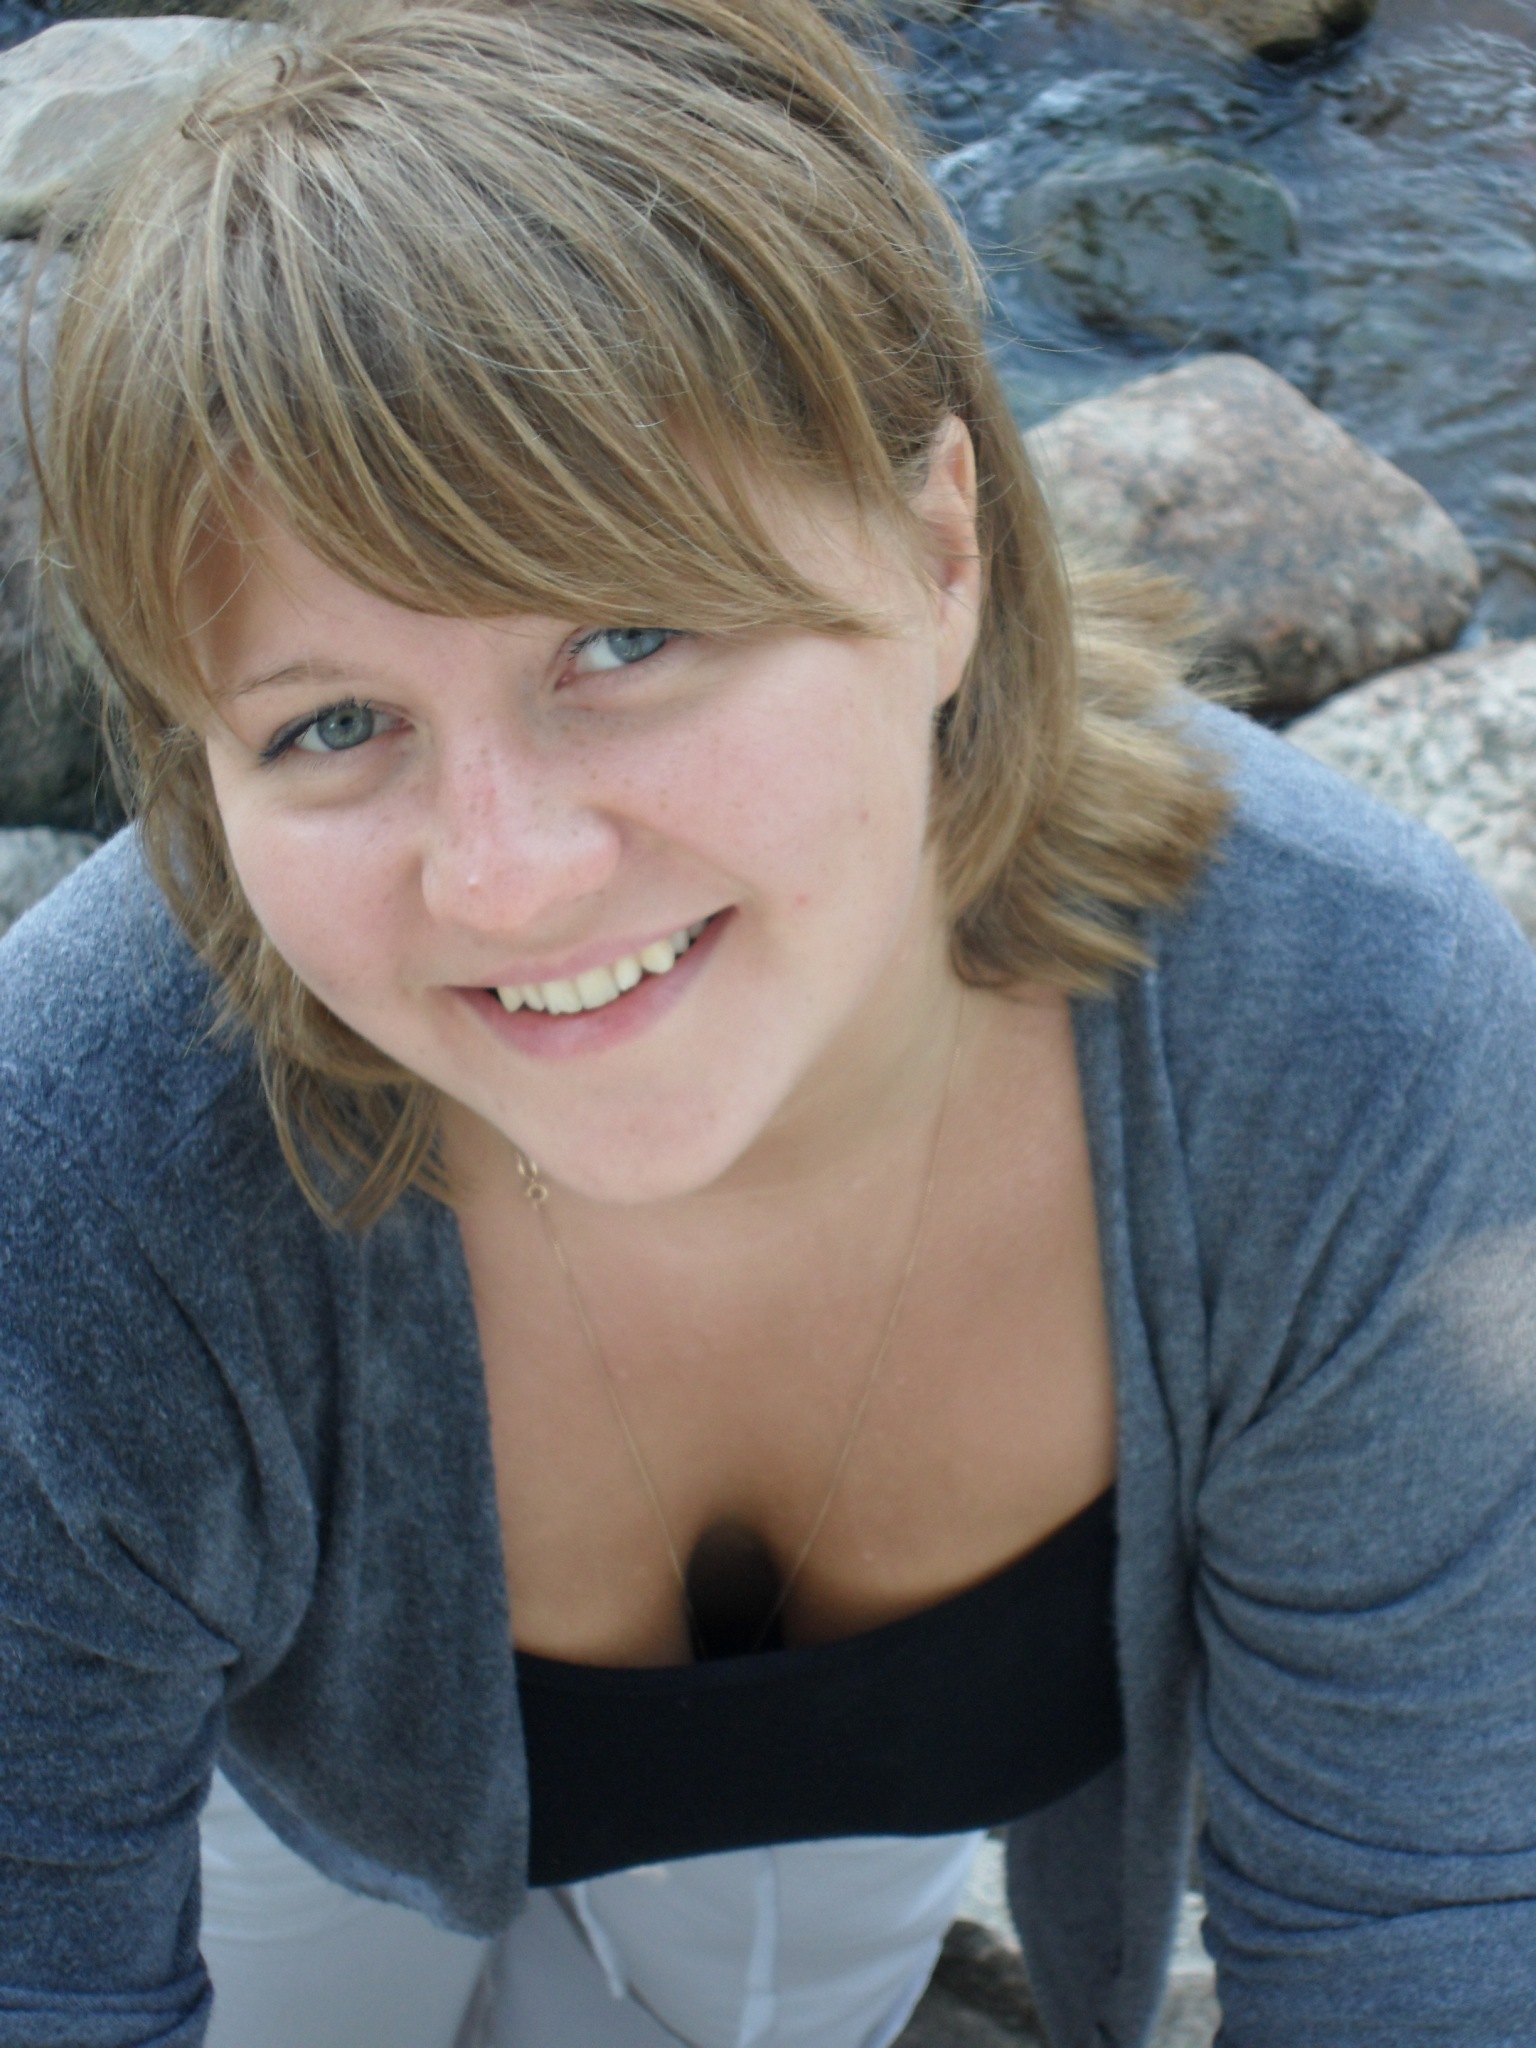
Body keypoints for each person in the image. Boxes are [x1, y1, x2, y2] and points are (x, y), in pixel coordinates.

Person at [3, 1, 1535, 2043]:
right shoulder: (78, 1152)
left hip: (862, 1842)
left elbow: (1424, 1911)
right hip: (288, 1806)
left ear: (942, 549)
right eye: (335, 721)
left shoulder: (1353, 1040)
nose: (508, 876)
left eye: (627, 635)